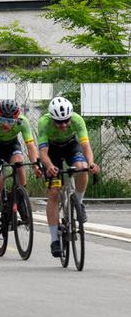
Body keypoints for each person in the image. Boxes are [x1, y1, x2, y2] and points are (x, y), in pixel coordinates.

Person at [38, 96, 99, 257]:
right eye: (59, 122)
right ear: (52, 119)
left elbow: (85, 146)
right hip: (52, 150)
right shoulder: (44, 123)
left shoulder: (77, 120)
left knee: (82, 168)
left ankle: (78, 203)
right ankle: (54, 240)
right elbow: (43, 152)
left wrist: (91, 163)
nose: (64, 125)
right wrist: (49, 166)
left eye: (66, 121)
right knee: (53, 193)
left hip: (71, 146)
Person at [0, 99, 41, 240]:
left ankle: (21, 198)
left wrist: (35, 165)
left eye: (10, 121)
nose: (6, 125)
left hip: (11, 146)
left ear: (16, 119)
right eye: (2, 120)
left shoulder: (22, 122)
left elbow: (31, 147)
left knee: (19, 162)